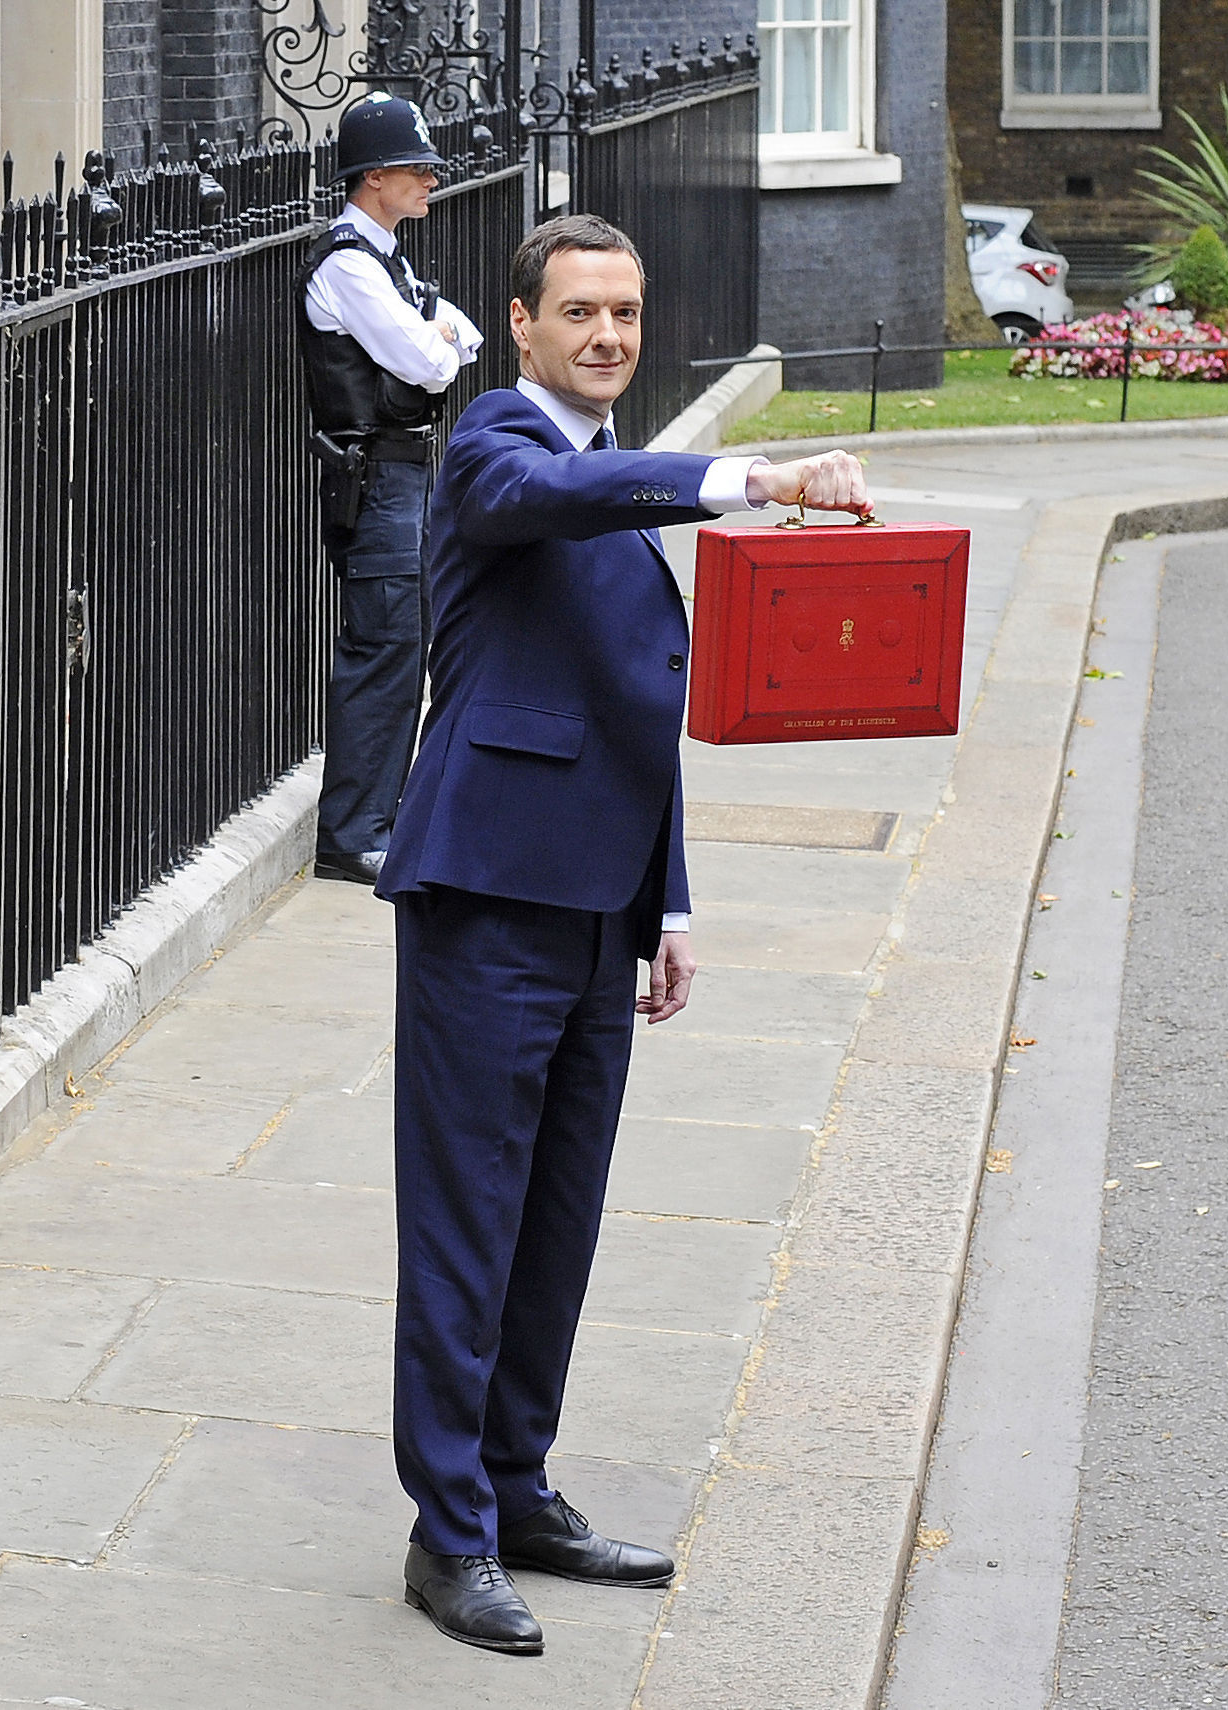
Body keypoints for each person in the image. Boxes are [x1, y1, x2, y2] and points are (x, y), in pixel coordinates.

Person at [376, 213, 871, 1655]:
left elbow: (623, 708)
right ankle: (446, 1530)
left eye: (627, 314)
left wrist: (670, 898)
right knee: (467, 1223)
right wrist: (752, 478)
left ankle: (517, 1485)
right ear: (520, 324)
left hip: (601, 910)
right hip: (488, 904)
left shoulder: (601, 471)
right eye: (580, 312)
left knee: (558, 1223)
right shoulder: (494, 449)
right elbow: (545, 508)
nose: (606, 336)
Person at [300, 92, 485, 887]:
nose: (431, 181)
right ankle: (350, 834)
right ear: (374, 177)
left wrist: (436, 335)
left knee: (407, 646)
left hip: (404, 472)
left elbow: (464, 333)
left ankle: (383, 817)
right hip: (375, 479)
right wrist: (435, 338)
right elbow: (433, 361)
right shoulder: (350, 263)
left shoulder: (385, 257)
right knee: (382, 652)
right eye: (418, 168)